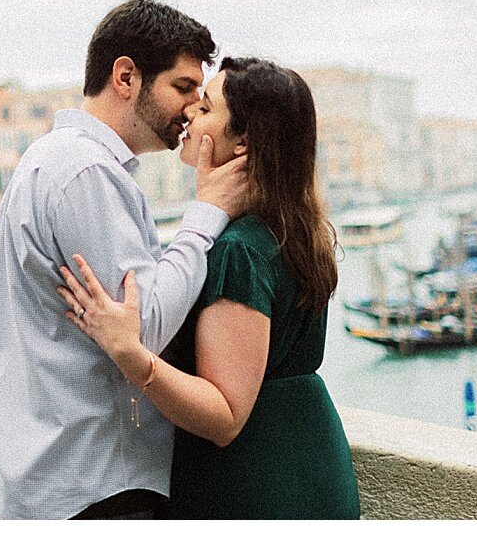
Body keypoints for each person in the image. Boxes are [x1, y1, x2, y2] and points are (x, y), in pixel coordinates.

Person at [58, 56, 361, 519]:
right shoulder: (291, 230)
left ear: (243, 142)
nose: (191, 113)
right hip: (304, 458)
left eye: (207, 108)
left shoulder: (238, 252)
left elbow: (224, 415)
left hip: (254, 483)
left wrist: (131, 355)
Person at [0, 0, 249, 520]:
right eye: (182, 87)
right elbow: (144, 325)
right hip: (93, 485)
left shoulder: (56, 159)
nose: (194, 108)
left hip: (62, 477)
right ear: (126, 77)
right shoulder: (87, 173)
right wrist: (207, 215)